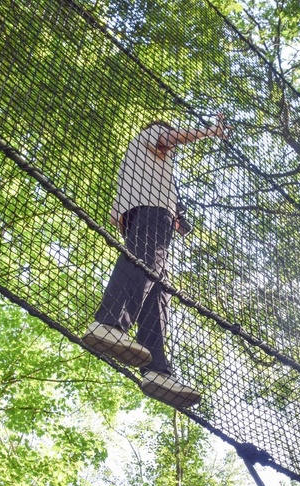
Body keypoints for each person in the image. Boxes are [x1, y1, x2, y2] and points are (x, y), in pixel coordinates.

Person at [83, 117, 229, 409]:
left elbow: (121, 218)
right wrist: (211, 131)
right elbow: (167, 139)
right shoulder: (151, 136)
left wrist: (178, 218)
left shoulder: (151, 171)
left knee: (158, 291)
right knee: (145, 265)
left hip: (147, 218)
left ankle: (156, 370)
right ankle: (108, 323)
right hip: (151, 216)